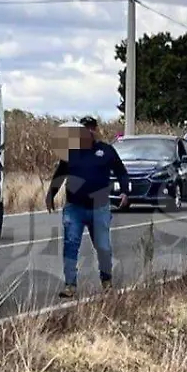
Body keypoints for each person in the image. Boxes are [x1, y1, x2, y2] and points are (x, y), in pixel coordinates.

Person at [45, 116, 130, 298]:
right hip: (74, 207)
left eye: (91, 128)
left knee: (103, 246)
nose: (88, 131)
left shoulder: (106, 151)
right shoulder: (71, 152)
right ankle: (70, 285)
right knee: (70, 244)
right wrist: (51, 195)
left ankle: (106, 280)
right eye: (85, 128)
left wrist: (124, 191)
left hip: (99, 208)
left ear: (95, 130)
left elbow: (122, 172)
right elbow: (60, 174)